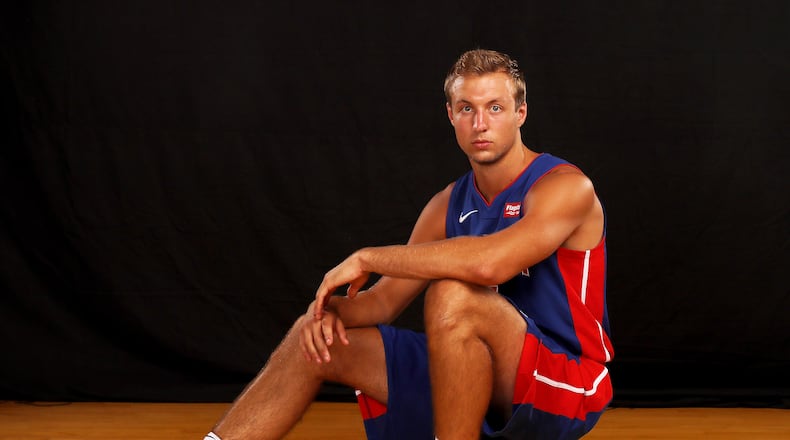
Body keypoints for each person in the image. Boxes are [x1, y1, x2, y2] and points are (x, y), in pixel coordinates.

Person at [205, 48, 614, 440]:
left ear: (520, 113)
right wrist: (331, 312)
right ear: (451, 115)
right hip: (473, 372)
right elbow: (382, 303)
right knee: (311, 336)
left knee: (452, 293)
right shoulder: (445, 205)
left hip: (565, 381)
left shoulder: (564, 187)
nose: (480, 123)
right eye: (467, 108)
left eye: (495, 107)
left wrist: (367, 256)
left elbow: (491, 265)